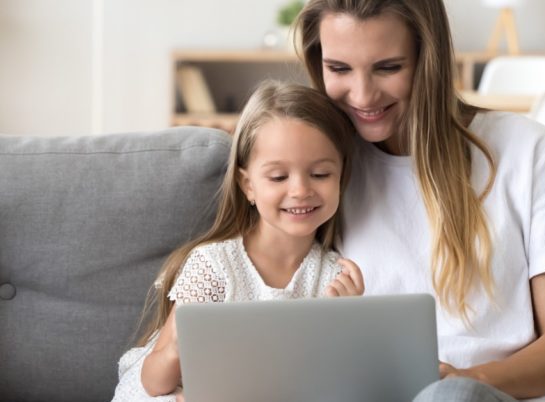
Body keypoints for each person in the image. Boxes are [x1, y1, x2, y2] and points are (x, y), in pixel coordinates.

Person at [295, 1, 545, 401]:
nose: (362, 95)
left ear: (430, 60)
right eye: (339, 68)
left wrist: (464, 380)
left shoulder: (526, 150)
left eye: (388, 67)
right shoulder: (321, 171)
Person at [111, 81, 364, 402]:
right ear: (248, 186)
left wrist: (351, 322)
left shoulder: (334, 278)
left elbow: (333, 382)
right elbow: (153, 383)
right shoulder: (214, 265)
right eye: (278, 177)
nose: (301, 190)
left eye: (320, 174)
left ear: (342, 176)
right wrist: (177, 346)